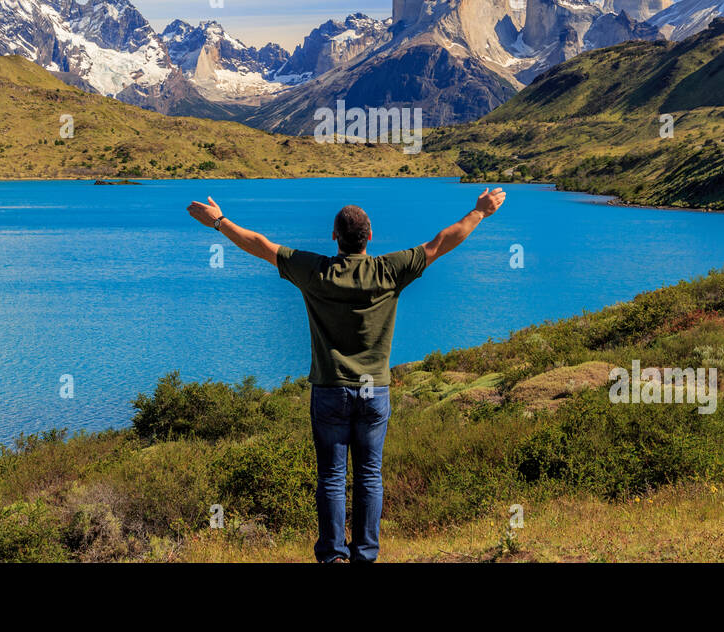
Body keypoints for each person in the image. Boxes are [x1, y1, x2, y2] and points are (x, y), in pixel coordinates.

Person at [186, 187, 506, 562]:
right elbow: (440, 243)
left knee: (332, 478)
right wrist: (479, 212)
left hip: (331, 389)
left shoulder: (315, 271)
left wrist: (219, 222)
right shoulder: (390, 269)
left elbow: (261, 245)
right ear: (370, 237)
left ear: (335, 236)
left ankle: (333, 556)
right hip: (375, 392)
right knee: (370, 476)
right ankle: (365, 555)